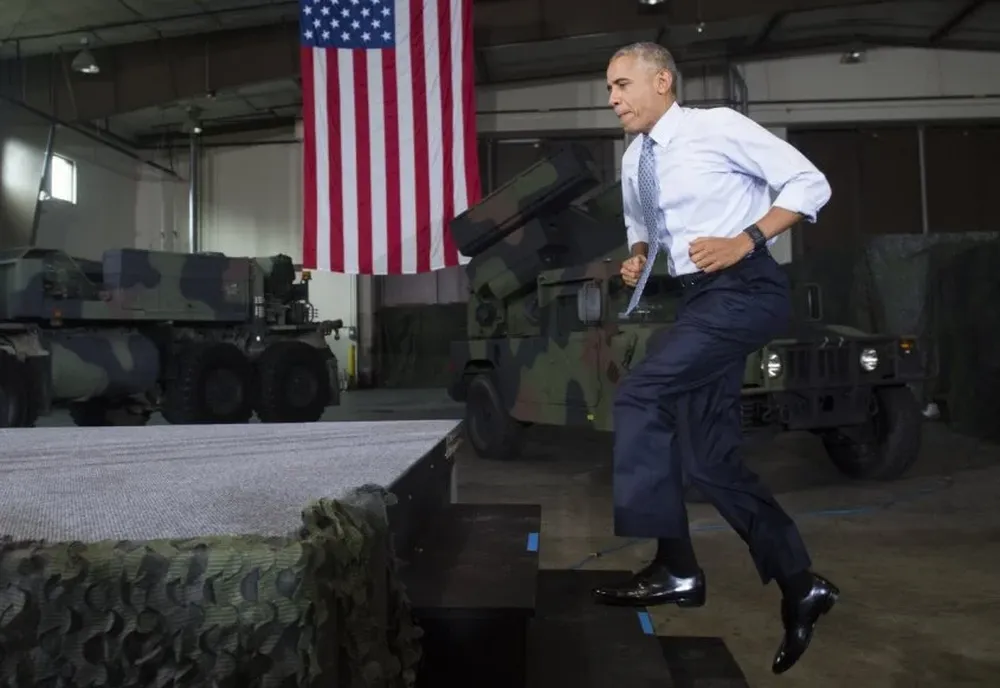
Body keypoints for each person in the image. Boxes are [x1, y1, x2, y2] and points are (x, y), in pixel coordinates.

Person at [592, 41, 838, 676]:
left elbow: (811, 183)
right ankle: (801, 585)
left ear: (662, 82)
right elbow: (641, 227)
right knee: (709, 460)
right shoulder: (635, 157)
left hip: (747, 289)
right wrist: (638, 258)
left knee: (640, 394)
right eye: (610, 88)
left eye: (621, 85)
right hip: (699, 300)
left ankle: (675, 566)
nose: (612, 98)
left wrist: (744, 240)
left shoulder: (717, 128)